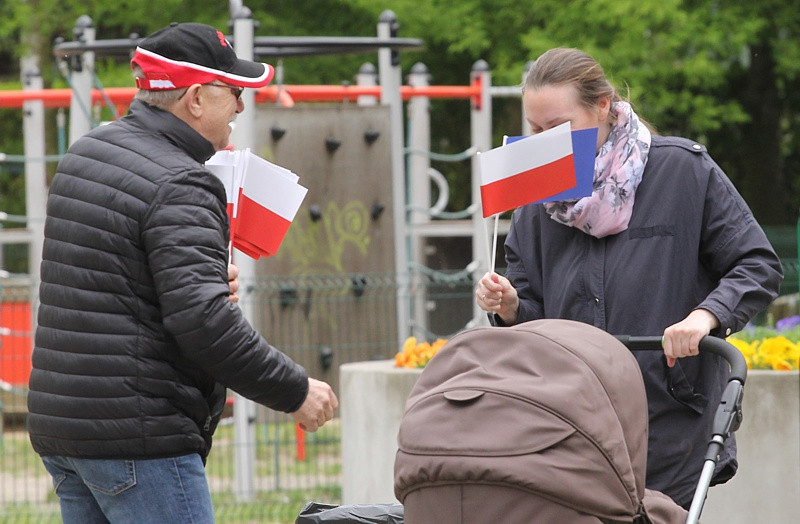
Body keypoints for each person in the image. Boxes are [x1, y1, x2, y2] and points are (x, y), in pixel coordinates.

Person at [27, 22, 337, 523]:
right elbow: (204, 323)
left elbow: (114, 282)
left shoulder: (87, 152)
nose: (240, 106)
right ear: (196, 98)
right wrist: (295, 390)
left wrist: (202, 279)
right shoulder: (183, 182)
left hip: (65, 428)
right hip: (141, 435)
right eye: (234, 91)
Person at [475, 47, 783, 508]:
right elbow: (536, 317)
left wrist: (705, 317)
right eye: (535, 130)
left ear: (602, 107)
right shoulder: (535, 199)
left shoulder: (682, 170)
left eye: (557, 128)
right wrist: (511, 306)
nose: (544, 143)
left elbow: (757, 264)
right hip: (571, 424)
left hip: (671, 423)